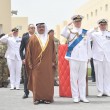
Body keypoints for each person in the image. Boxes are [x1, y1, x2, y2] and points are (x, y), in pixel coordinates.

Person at [61, 15, 91, 103]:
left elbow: (88, 45)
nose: (78, 23)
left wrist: (89, 57)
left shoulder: (86, 32)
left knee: (82, 78)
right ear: (73, 22)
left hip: (83, 57)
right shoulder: (70, 31)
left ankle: (82, 96)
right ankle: (75, 96)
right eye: (76, 22)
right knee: (74, 78)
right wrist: (67, 25)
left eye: (79, 21)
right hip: (73, 57)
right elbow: (63, 33)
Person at [25, 23, 56, 105]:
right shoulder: (32, 38)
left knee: (47, 81)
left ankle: (48, 98)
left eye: (42, 27)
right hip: (36, 65)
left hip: (47, 64)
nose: (41, 28)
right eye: (39, 27)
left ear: (45, 28)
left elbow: (53, 51)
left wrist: (53, 61)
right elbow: (29, 52)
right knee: (36, 82)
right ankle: (37, 99)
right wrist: (29, 63)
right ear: (37, 28)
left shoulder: (50, 38)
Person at [88, 19, 110, 97]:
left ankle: (107, 91)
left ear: (106, 25)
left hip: (107, 57)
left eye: (104, 24)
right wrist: (93, 29)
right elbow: (87, 35)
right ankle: (100, 91)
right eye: (101, 25)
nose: (103, 26)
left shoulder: (109, 34)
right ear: (99, 25)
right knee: (99, 74)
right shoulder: (95, 34)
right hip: (97, 57)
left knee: (107, 74)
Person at [20, 24, 35, 99]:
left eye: (33, 28)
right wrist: (23, 58)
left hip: (35, 60)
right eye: (31, 28)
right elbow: (21, 49)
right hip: (27, 59)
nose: (33, 29)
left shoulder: (37, 37)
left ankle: (36, 93)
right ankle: (26, 93)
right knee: (26, 77)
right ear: (28, 29)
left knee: (36, 76)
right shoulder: (25, 38)